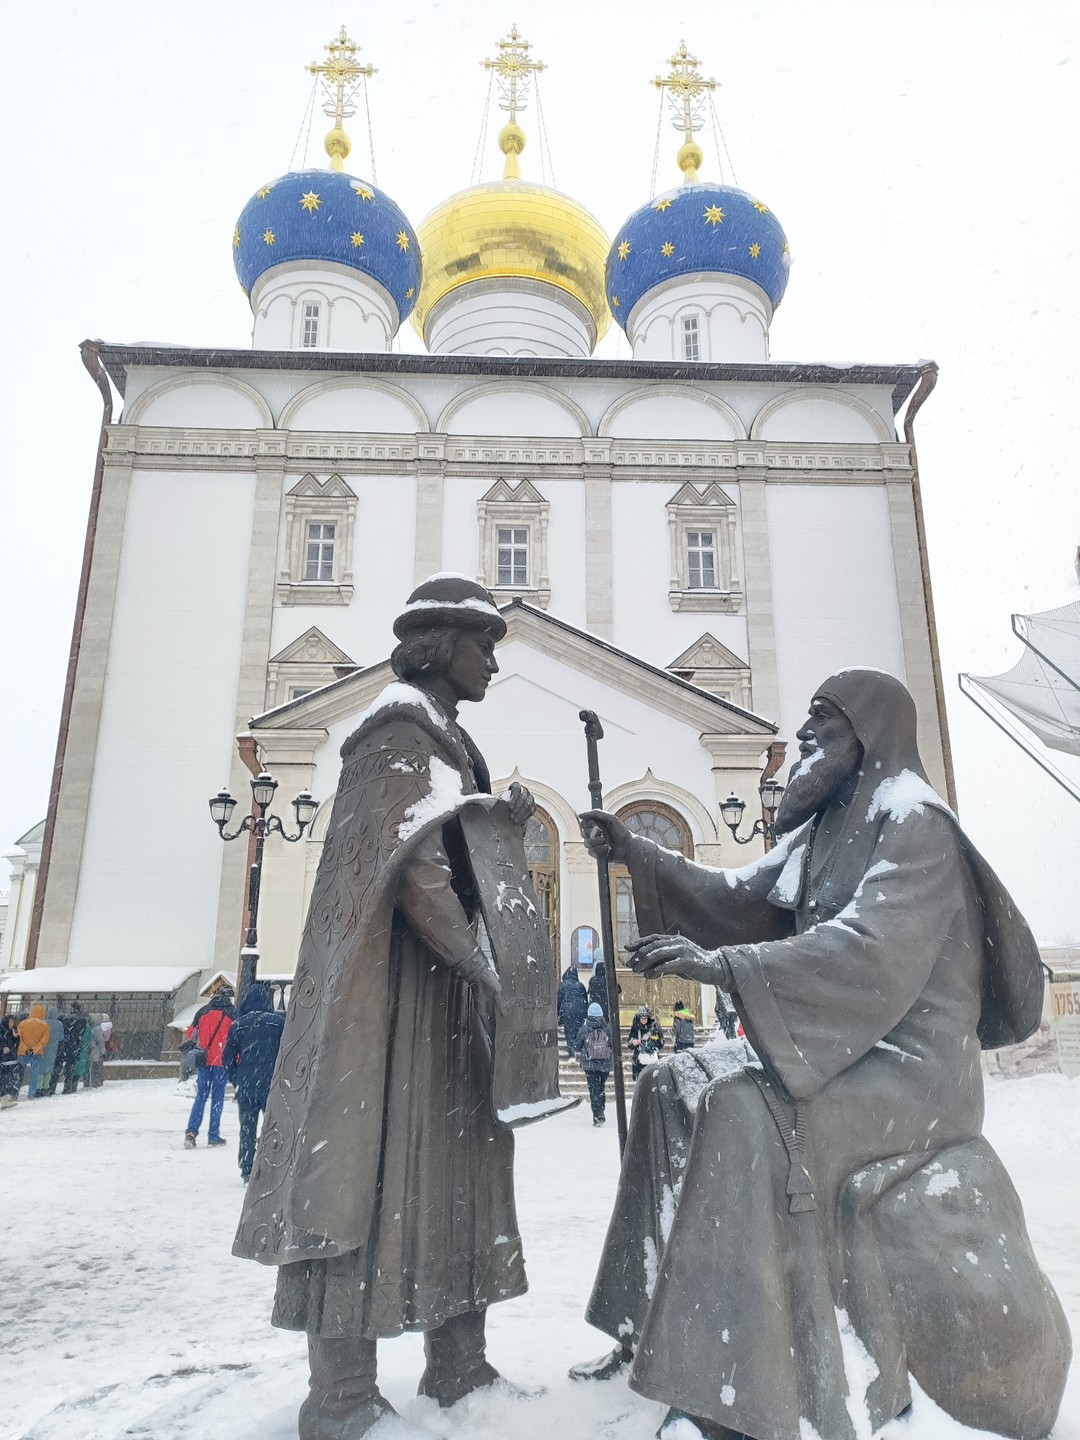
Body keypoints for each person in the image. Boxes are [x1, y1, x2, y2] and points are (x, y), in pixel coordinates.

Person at [575, 669, 1070, 1440]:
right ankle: (652, 1332)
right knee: (672, 1080)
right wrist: (639, 853)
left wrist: (727, 967)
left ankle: (732, 1387)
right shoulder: (829, 822)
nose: (803, 736)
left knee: (743, 1110)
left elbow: (868, 950)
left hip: (910, 1074)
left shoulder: (914, 823)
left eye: (822, 722)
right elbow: (741, 895)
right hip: (848, 1053)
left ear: (868, 734)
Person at [233, 575, 538, 1439]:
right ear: (439, 645)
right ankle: (341, 1395)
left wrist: (497, 830)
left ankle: (460, 1363)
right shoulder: (397, 732)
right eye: (483, 646)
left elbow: (454, 847)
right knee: (361, 1168)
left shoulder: (450, 741)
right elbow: (411, 868)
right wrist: (481, 965)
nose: (491, 663)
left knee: (460, 1163)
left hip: (438, 999)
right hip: (389, 997)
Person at [222, 981, 285, 1182]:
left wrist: (237, 1077)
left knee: (246, 1128)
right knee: (274, 1125)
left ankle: (247, 1167)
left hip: (247, 1085)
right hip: (270, 1084)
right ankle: (274, 1161)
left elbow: (227, 1058)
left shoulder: (238, 1025)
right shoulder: (278, 1023)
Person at [182, 992, 233, 1148]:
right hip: (221, 1060)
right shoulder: (232, 1013)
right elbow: (234, 1038)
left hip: (204, 1059)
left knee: (201, 1096)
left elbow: (191, 1033)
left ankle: (191, 1133)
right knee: (218, 1097)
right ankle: (213, 1135)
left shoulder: (203, 1011)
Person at [575, 1002, 613, 1125]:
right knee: (601, 1087)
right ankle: (601, 1112)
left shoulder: (584, 1028)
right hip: (604, 1064)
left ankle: (597, 1115)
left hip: (590, 1064)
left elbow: (577, 1045)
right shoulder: (607, 1029)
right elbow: (613, 1045)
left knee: (593, 1090)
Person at [17, 1004, 51, 1098]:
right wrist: (34, 1049)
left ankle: (15, 1091)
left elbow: (20, 1039)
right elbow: (44, 1041)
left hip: (22, 1052)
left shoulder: (23, 1023)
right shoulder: (45, 1025)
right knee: (34, 1074)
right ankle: (31, 1093)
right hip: (37, 1053)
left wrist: (25, 1049)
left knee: (19, 1073)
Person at [557, 963, 589, 1058]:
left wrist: (557, 1014)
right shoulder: (581, 985)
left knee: (569, 1032)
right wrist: (586, 1012)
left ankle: (571, 1052)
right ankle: (577, 1049)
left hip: (568, 1012)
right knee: (578, 1031)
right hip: (580, 1011)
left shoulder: (563, 985)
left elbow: (558, 1000)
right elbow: (585, 1000)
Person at [627, 1004, 663, 1081]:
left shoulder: (654, 1027)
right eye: (642, 1018)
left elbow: (661, 1042)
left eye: (645, 1018)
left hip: (651, 1058)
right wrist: (634, 1042)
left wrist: (653, 1045)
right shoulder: (636, 1028)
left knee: (652, 1082)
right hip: (639, 1059)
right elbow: (629, 1043)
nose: (644, 1020)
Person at [60, 1003, 88, 1094]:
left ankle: (67, 1087)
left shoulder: (68, 1019)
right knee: (73, 1065)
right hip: (77, 1045)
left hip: (69, 1045)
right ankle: (73, 1085)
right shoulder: (83, 1019)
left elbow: (66, 1032)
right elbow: (82, 1033)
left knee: (69, 1066)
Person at [40, 1004, 63, 1096]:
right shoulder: (59, 1024)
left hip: (43, 1046)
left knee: (41, 1067)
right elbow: (61, 1037)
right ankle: (46, 1086)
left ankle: (40, 1086)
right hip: (53, 1048)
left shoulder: (43, 1023)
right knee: (50, 1067)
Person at [0, 1015, 21, 1109]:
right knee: (4, 1080)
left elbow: (16, 1045)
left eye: (12, 1022)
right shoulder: (3, 1033)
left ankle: (4, 1100)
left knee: (6, 1081)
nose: (11, 1024)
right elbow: (5, 1045)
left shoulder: (13, 1032)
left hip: (11, 1061)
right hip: (5, 1061)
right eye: (9, 1022)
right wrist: (4, 1048)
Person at [87, 1014, 107, 1088]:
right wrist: (103, 1050)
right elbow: (101, 1040)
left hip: (92, 1050)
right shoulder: (97, 1029)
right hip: (96, 1051)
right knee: (96, 1066)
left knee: (92, 1066)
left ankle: (92, 1081)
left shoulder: (91, 1028)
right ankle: (96, 1082)